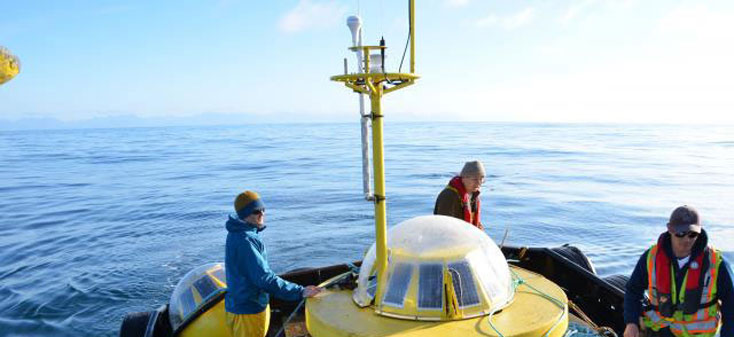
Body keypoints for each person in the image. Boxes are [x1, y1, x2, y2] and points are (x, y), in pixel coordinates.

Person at [623, 205, 734, 337]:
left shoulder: (717, 264)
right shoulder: (651, 257)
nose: (686, 239)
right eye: (680, 233)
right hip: (659, 331)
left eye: (692, 234)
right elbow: (633, 290)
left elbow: (731, 305)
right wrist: (631, 323)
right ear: (670, 230)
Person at [224, 190, 322, 337]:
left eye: (263, 209)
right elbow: (264, 278)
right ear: (245, 215)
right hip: (249, 310)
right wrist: (300, 291)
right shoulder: (245, 241)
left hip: (243, 304)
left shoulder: (241, 233)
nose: (262, 214)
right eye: (256, 211)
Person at [433, 160, 486, 230]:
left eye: (481, 179)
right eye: (475, 179)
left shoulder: (474, 195)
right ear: (463, 178)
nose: (479, 183)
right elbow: (443, 226)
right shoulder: (449, 196)